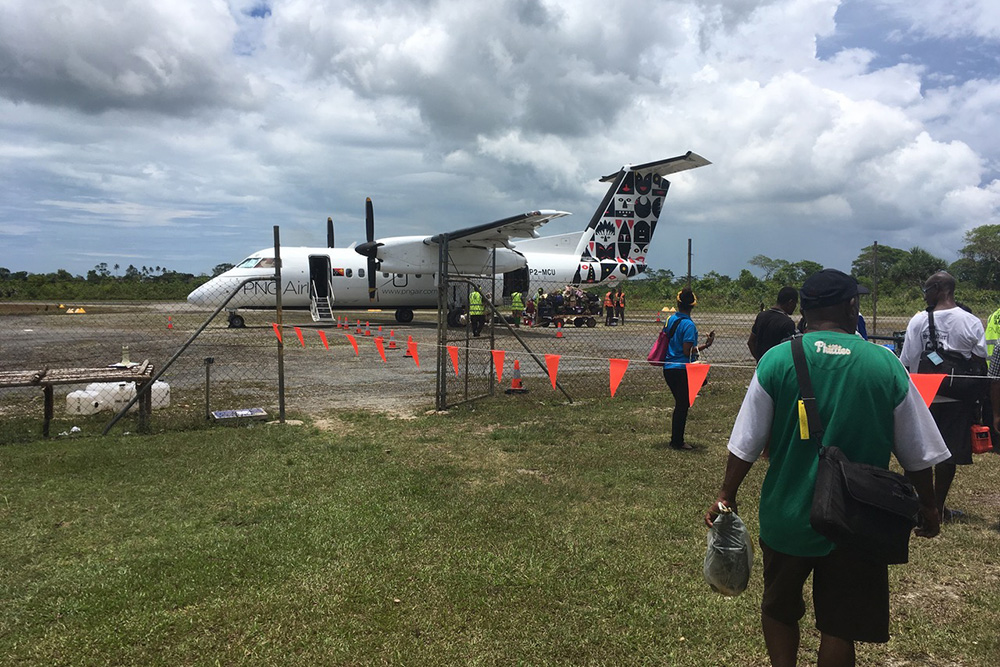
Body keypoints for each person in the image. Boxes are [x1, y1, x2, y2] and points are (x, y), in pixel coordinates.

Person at [705, 268, 948, 667]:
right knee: (839, 626)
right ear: (852, 306)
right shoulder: (884, 365)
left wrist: (725, 495)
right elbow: (918, 453)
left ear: (805, 309)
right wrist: (929, 505)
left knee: (779, 608)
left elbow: (745, 443)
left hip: (786, 516)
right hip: (857, 522)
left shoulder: (776, 361)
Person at [899, 271, 987, 521]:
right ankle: (938, 506)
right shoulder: (970, 321)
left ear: (939, 289)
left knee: (917, 450)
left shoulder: (918, 320)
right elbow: (979, 361)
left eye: (927, 289)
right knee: (948, 455)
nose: (925, 295)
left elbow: (907, 360)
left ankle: (911, 504)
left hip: (923, 395)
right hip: (957, 396)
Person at [661, 287, 714, 450]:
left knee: (681, 403)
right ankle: (677, 441)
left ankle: (677, 439)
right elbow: (686, 351)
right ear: (693, 305)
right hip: (681, 368)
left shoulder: (670, 319)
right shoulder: (689, 325)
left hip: (668, 367)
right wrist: (706, 345)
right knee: (682, 405)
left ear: (678, 303)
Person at [747, 287, 798, 362]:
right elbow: (790, 351)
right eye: (795, 303)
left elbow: (751, 342)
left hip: (763, 367)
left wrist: (760, 361)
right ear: (790, 303)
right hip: (778, 367)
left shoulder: (761, 316)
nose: (795, 307)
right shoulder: (787, 323)